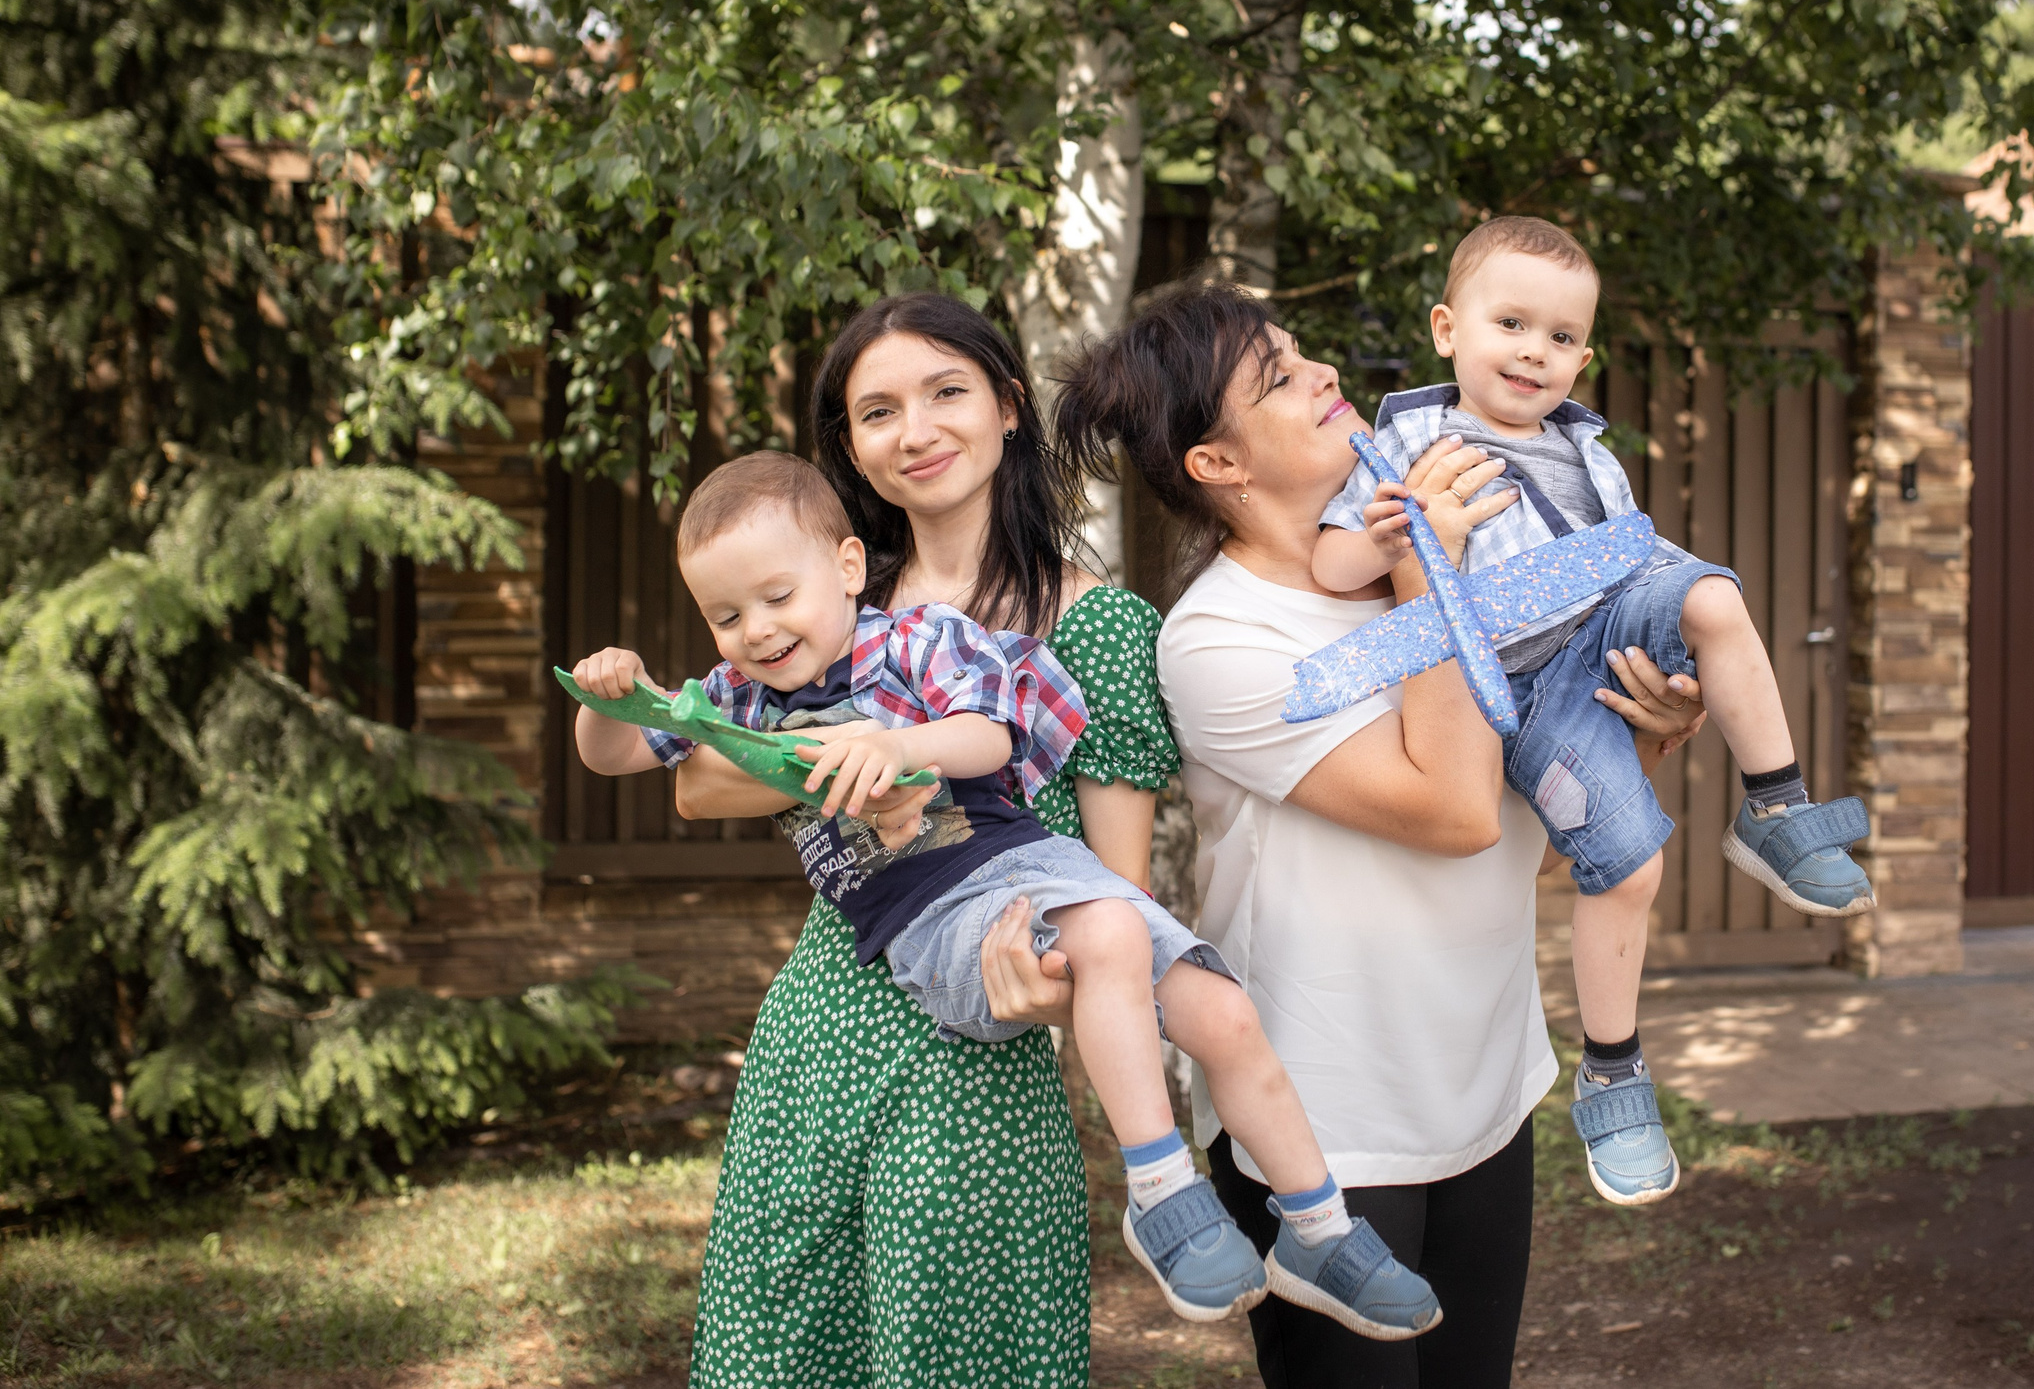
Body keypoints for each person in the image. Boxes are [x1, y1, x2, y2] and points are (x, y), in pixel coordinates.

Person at [569, 450, 1442, 1338]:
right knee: (1108, 935)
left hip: (1029, 862)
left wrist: (899, 746)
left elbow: (989, 735)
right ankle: (1158, 1186)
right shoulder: (740, 699)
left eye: (775, 597)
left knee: (1223, 1012)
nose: (756, 629)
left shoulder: (920, 638)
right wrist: (608, 699)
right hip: (933, 913)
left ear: (842, 568)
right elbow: (627, 754)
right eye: (725, 615)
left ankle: (1319, 1227)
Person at [1048, 282, 1709, 1388]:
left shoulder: (1422, 566)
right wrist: (1429, 568)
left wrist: (1649, 734)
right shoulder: (1221, 640)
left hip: (1487, 1090)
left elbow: (1533, 834)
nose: (1321, 375)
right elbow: (1452, 813)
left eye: (1301, 352)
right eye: (1277, 379)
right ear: (1217, 465)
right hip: (1327, 1137)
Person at [657, 292, 1173, 1388]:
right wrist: (861, 742)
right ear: (849, 448)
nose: (917, 430)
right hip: (815, 1031)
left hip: (974, 1043)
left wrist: (1062, 987)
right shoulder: (814, 603)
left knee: (959, 1357)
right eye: (876, 410)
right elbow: (698, 784)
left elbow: (1118, 893)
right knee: (777, 1350)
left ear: (1008, 408)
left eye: (947, 392)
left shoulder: (1098, 627)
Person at [1306, 215, 1875, 1208]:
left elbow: (1625, 570)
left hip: (1600, 631)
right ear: (1447, 329)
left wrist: (1671, 682)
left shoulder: (1588, 446)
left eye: (1562, 337)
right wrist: (1394, 538)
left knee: (1715, 599)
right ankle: (1612, 1071)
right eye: (1511, 323)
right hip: (1516, 691)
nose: (1535, 351)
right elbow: (1329, 563)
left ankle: (1776, 806)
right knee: (1630, 866)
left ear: (1585, 356)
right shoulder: (1406, 439)